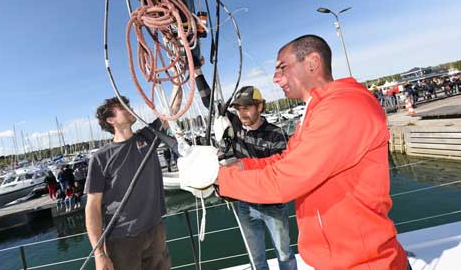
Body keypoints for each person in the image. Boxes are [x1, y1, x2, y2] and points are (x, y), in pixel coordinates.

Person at [217, 35, 409, 269]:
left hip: (363, 263)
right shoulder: (320, 109)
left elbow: (285, 181)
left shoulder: (342, 108)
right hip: (340, 260)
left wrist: (220, 178)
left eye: (282, 68)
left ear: (312, 63)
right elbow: (288, 160)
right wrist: (242, 166)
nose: (276, 78)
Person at [194, 68, 297, 270]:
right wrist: (197, 72)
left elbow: (283, 171)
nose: (242, 113)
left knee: (284, 254)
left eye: (247, 107)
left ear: (259, 106)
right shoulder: (236, 127)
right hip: (245, 204)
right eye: (239, 108)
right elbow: (211, 103)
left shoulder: (278, 134)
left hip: (273, 204)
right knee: (255, 258)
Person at [85, 89, 181, 270]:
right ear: (110, 120)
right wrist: (99, 253)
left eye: (127, 104)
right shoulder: (100, 158)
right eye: (122, 107)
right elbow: (92, 206)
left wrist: (178, 75)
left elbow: (172, 108)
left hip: (156, 230)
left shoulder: (148, 136)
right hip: (122, 239)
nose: (129, 108)